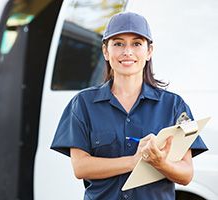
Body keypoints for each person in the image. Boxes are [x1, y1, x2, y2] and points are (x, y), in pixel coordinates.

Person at [50, 12, 208, 200]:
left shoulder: (174, 106)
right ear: (106, 51)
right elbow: (81, 167)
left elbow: (186, 174)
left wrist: (160, 163)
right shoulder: (83, 104)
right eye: (118, 44)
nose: (127, 52)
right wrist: (134, 161)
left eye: (136, 43)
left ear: (149, 51)